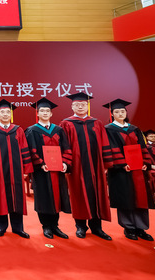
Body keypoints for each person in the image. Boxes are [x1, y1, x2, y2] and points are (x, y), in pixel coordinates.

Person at [59, 92, 112, 241]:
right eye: (77, 104)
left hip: (96, 166)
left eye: (83, 104)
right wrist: (66, 164)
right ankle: (81, 227)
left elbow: (105, 143)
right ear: (72, 106)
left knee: (97, 195)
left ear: (87, 105)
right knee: (78, 195)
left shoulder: (97, 123)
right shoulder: (66, 124)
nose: (80, 107)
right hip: (77, 167)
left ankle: (97, 228)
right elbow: (64, 146)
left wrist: (106, 164)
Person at [103, 99, 155, 241]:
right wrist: (122, 164)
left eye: (122, 111)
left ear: (126, 113)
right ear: (112, 114)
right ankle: (129, 227)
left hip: (138, 169)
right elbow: (111, 148)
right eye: (117, 112)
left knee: (140, 197)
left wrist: (145, 163)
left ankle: (141, 228)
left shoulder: (134, 129)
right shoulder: (108, 129)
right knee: (125, 198)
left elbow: (142, 147)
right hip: (121, 171)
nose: (120, 113)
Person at [25, 98, 72, 239]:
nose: (45, 113)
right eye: (42, 111)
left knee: (57, 197)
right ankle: (46, 226)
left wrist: (65, 163)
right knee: (44, 198)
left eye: (47, 111)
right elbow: (31, 151)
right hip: (42, 172)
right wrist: (40, 163)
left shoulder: (58, 130)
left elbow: (66, 149)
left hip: (57, 171)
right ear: (37, 113)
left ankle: (55, 226)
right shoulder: (32, 130)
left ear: (51, 113)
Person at [0, 99, 33, 238]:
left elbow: (24, 149)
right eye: (3, 112)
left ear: (11, 114)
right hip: (1, 171)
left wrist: (25, 170)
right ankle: (1, 227)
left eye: (8, 112)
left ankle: (18, 228)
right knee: (0, 198)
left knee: (17, 199)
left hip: (17, 171)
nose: (6, 114)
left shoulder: (18, 130)